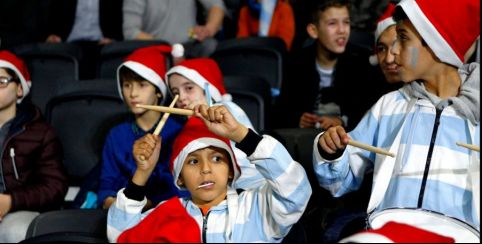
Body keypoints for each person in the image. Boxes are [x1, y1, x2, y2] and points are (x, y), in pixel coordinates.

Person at [313, 0, 480, 242]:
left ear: (436, 44)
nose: (393, 53)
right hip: (388, 231)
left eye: (402, 38)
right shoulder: (388, 106)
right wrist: (330, 151)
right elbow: (339, 183)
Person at [107, 104, 312, 242]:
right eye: (193, 161)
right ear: (179, 177)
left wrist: (240, 135)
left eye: (217, 159)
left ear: (231, 170)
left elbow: (296, 190)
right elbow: (119, 235)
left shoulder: (256, 206)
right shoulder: (166, 212)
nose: (206, 169)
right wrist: (143, 172)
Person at [98, 45, 188, 210]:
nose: (133, 93)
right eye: (127, 85)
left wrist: (149, 204)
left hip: (169, 214)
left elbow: (183, 188)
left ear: (158, 91)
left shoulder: (179, 132)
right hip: (122, 213)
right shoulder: (116, 135)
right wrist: (112, 204)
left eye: (142, 85)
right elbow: (106, 185)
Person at [273, 0, 387, 131]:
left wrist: (342, 121)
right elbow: (281, 112)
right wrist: (297, 119)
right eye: (332, 23)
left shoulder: (362, 61)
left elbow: (370, 111)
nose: (342, 30)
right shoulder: (297, 63)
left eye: (346, 22)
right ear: (313, 31)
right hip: (306, 138)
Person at [165, 57, 266, 190]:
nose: (182, 97)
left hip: (251, 189)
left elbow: (245, 163)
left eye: (189, 88)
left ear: (208, 89)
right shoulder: (188, 123)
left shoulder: (225, 109)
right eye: (175, 93)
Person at [0, 51, 68, 242]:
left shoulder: (41, 133)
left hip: (21, 209)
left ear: (19, 89)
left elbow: (54, 187)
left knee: (14, 231)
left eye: (1, 81)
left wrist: (10, 201)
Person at [45, 0, 123, 79]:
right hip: (69, 42)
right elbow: (51, 18)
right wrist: (52, 36)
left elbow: (120, 21)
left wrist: (114, 39)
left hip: (102, 43)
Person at [123, 0, 225, 58]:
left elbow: (216, 6)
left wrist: (208, 29)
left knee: (210, 45)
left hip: (191, 43)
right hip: (159, 49)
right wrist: (167, 47)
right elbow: (131, 31)